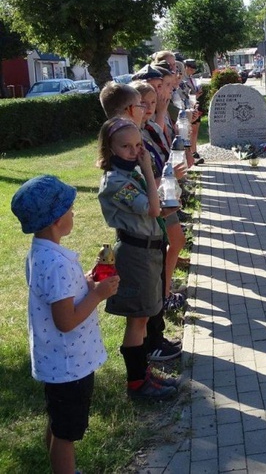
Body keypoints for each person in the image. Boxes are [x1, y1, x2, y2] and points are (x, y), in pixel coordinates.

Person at [11, 175, 119, 474]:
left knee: (58, 422)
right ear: (57, 219)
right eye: (70, 210)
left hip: (57, 362)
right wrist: (97, 294)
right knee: (66, 434)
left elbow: (58, 297)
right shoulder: (56, 263)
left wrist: (84, 282)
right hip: (69, 364)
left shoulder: (41, 253)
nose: (73, 214)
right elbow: (66, 320)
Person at [97, 117, 179, 399]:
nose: (134, 151)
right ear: (109, 149)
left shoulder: (130, 173)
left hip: (149, 248)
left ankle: (143, 373)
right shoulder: (116, 182)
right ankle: (136, 383)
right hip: (135, 254)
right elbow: (152, 210)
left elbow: (156, 209)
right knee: (138, 317)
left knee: (145, 316)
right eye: (126, 147)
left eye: (137, 145)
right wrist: (146, 168)